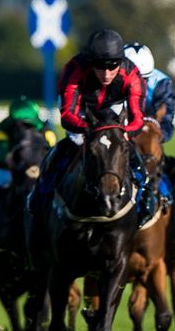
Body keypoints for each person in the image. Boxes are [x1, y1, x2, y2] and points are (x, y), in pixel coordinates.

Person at [28, 29, 153, 227]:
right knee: (62, 151)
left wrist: (125, 133)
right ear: (90, 61)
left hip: (115, 111)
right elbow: (68, 115)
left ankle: (145, 201)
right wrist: (89, 129)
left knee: (133, 157)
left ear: (120, 62)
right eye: (100, 66)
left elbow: (138, 118)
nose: (106, 73)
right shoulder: (75, 69)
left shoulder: (132, 74)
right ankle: (40, 196)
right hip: (84, 111)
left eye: (112, 66)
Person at [0, 95, 57, 244]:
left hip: (39, 172)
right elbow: (1, 156)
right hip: (9, 172)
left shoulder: (46, 130)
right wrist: (15, 164)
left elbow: (52, 153)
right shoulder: (2, 129)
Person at [124, 42, 175, 209]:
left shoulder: (162, 83)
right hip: (120, 132)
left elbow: (166, 121)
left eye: (144, 79)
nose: (138, 83)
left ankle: (164, 196)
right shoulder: (110, 77)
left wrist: (149, 132)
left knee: (153, 160)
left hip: (147, 135)